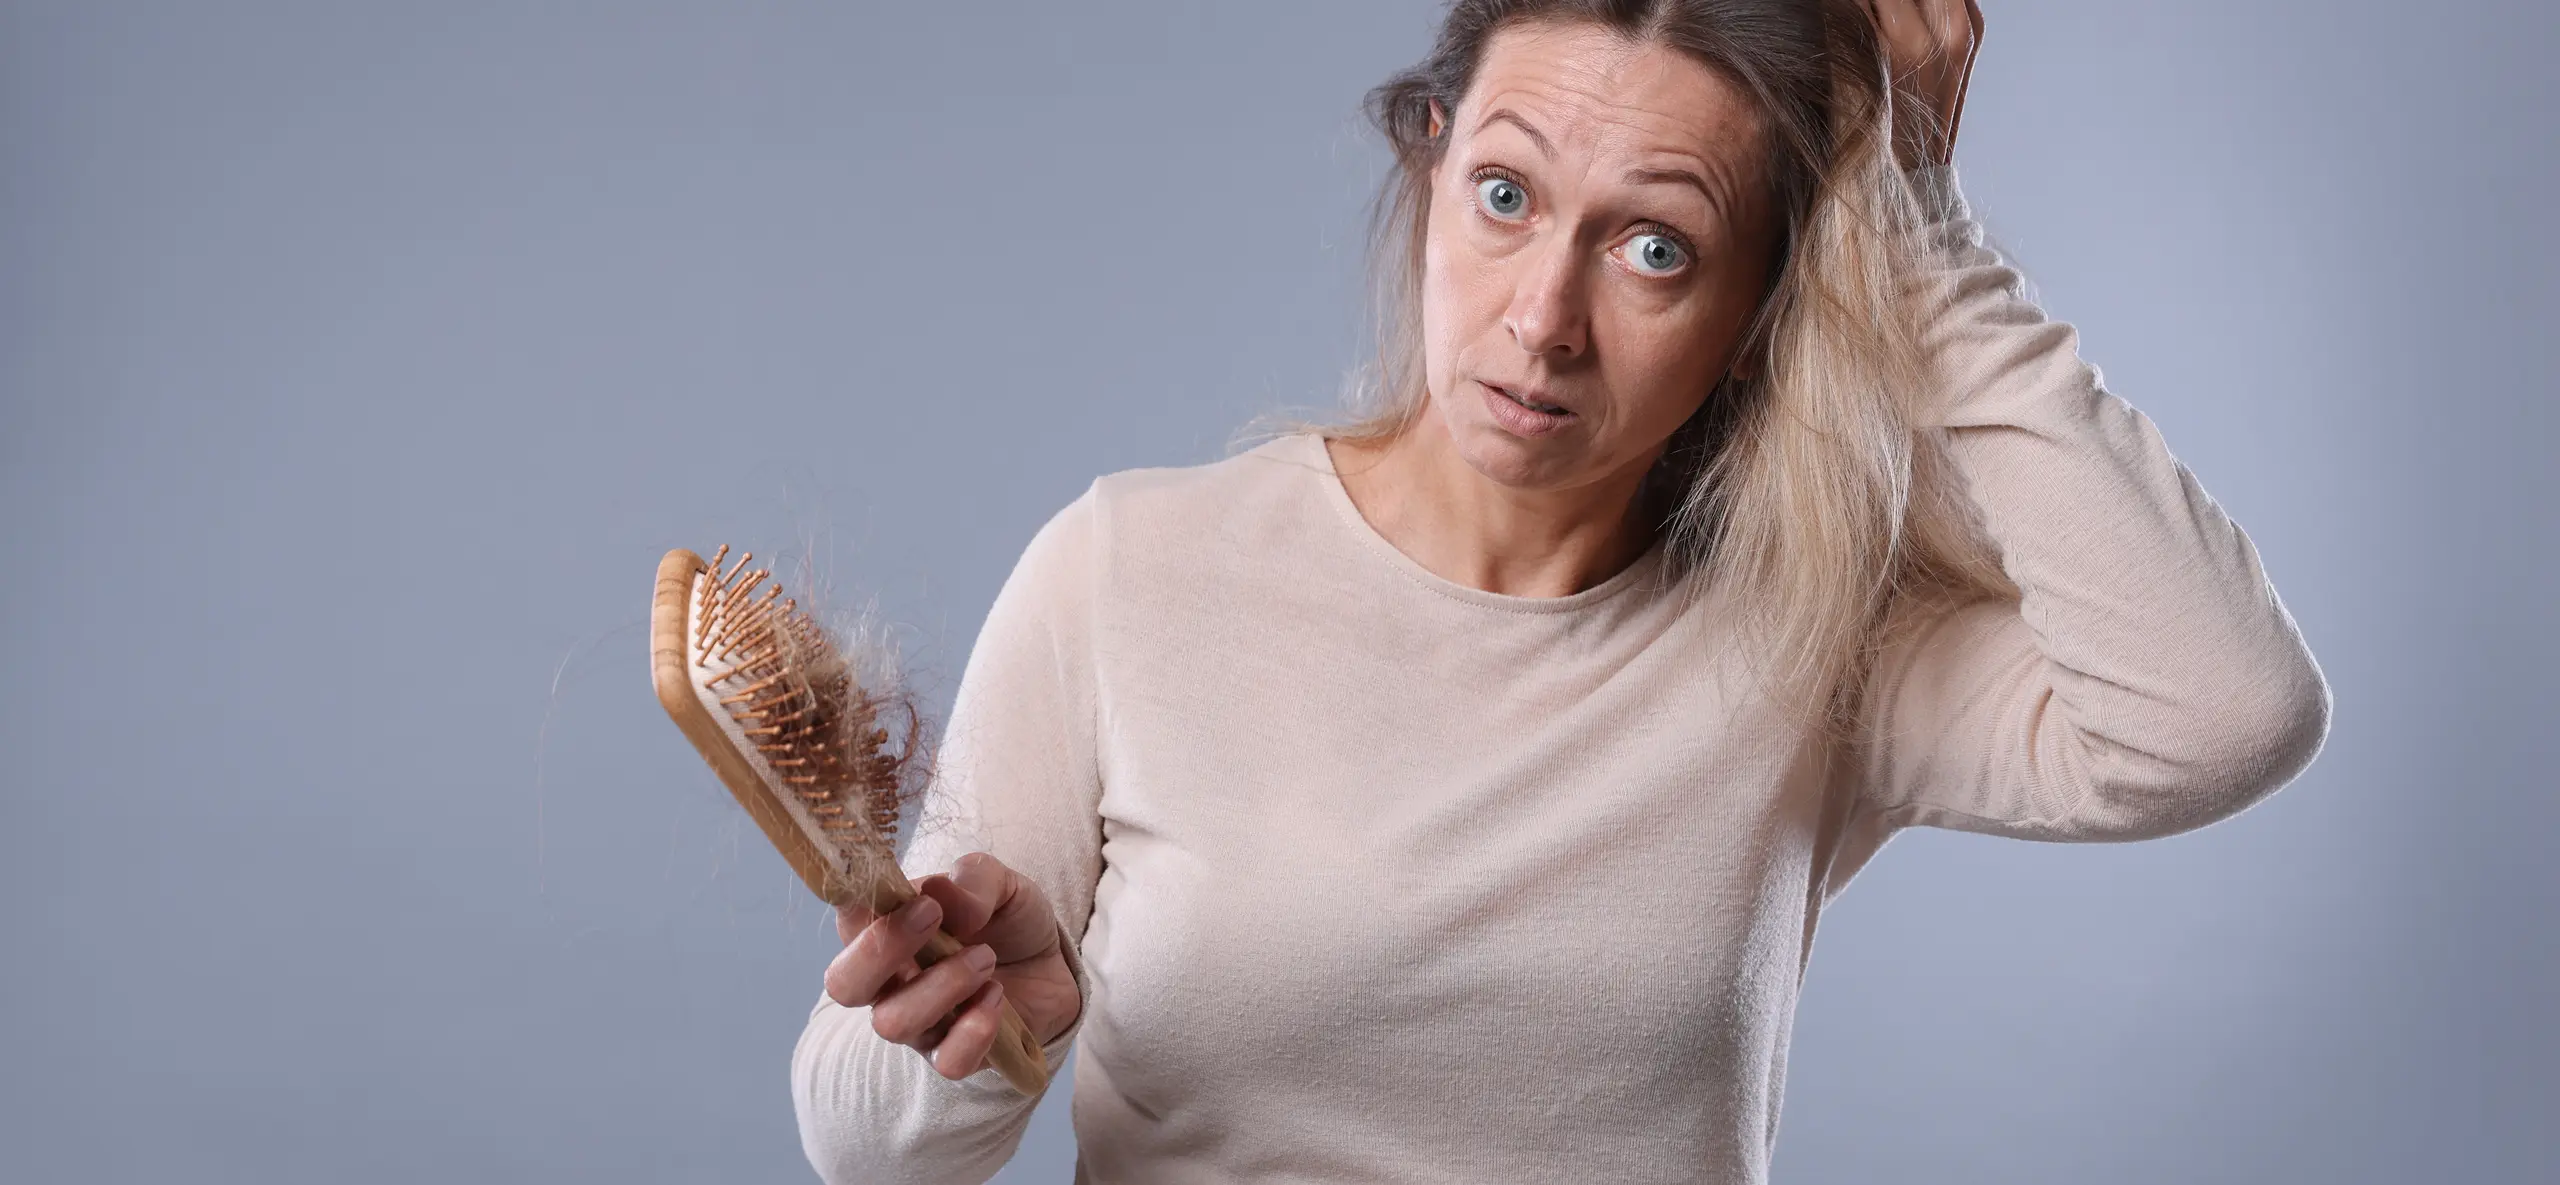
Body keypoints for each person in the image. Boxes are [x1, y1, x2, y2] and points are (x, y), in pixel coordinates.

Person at [791, 1, 2332, 1181]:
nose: (1542, 321)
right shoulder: (1129, 569)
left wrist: (1926, 247)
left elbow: (2222, 715)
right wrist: (989, 1042)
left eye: (1656, 248)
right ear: (1431, 167)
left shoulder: (1817, 638)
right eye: (1507, 198)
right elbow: (860, 1144)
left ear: (1760, 308)